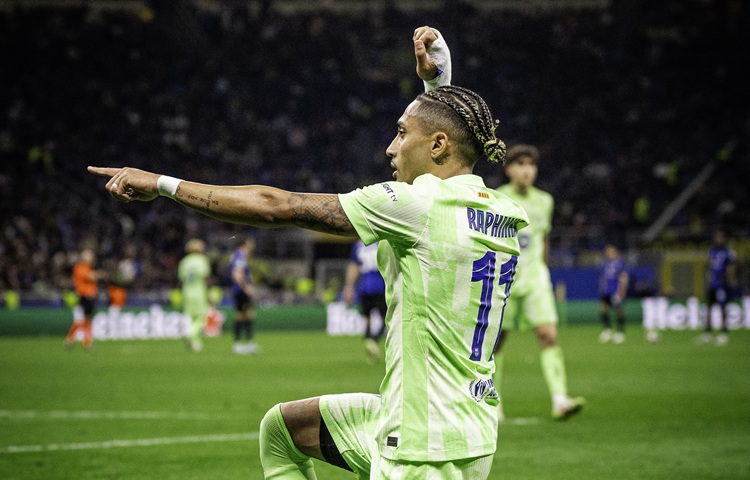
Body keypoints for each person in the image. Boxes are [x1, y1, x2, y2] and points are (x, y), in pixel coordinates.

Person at [89, 26, 523, 479]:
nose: (390, 147)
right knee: (283, 430)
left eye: (400, 133)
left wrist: (161, 184)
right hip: (459, 420)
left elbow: (276, 207)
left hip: (423, 448)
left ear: (437, 144)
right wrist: (438, 85)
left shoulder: (417, 206)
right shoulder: (499, 212)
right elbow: (449, 148)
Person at [493, 144, 585, 421]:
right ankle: (492, 404)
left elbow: (543, 238)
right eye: (520, 164)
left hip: (535, 278)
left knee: (548, 335)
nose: (527, 170)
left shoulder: (545, 201)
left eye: (531, 165)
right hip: (504, 279)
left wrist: (544, 268)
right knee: (495, 342)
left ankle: (560, 400)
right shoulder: (497, 198)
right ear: (509, 169)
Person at [342, 240, 387, 362]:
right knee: (385, 319)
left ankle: (369, 341)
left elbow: (353, 267)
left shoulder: (358, 246)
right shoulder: (382, 243)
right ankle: (374, 341)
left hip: (364, 287)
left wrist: (349, 288)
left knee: (367, 319)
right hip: (381, 287)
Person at [700, 230, 736, 346]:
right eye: (717, 237)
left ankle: (723, 332)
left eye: (720, 237)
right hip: (713, 284)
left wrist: (729, 276)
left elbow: (735, 265)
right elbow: (709, 265)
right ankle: (707, 332)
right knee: (709, 307)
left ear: (724, 239)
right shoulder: (712, 251)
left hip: (722, 285)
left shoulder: (728, 252)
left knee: (722, 307)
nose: (718, 239)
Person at [65, 249, 105, 349]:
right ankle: (70, 338)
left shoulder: (88, 267)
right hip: (83, 296)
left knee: (87, 319)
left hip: (89, 296)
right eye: (90, 256)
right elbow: (89, 277)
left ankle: (86, 342)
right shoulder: (80, 267)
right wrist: (100, 274)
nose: (93, 258)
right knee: (82, 319)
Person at [178, 238, 211, 352]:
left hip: (187, 291)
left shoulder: (184, 261)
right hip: (199, 291)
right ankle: (191, 334)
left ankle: (195, 342)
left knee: (191, 317)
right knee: (201, 318)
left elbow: (181, 278)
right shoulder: (202, 260)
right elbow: (205, 276)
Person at [230, 237, 258, 354]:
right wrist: (245, 287)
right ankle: (242, 344)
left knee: (245, 315)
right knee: (244, 315)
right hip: (241, 290)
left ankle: (244, 344)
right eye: (251, 242)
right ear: (245, 243)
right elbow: (237, 273)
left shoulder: (237, 255)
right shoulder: (240, 255)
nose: (253, 244)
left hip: (239, 290)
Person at [598, 244, 630, 344]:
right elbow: (603, 277)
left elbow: (624, 277)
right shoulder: (605, 263)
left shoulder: (619, 262)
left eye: (610, 251)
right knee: (603, 308)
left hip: (616, 290)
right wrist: (602, 288)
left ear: (615, 252)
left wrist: (622, 291)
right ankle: (607, 330)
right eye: (607, 251)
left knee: (618, 310)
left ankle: (620, 331)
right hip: (606, 290)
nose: (608, 253)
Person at [107, 243, 139, 315]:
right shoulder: (119, 262)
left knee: (124, 312)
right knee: (115, 310)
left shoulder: (135, 264)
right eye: (129, 250)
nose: (131, 253)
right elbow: (113, 276)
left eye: (132, 251)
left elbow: (133, 278)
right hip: (117, 289)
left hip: (129, 290)